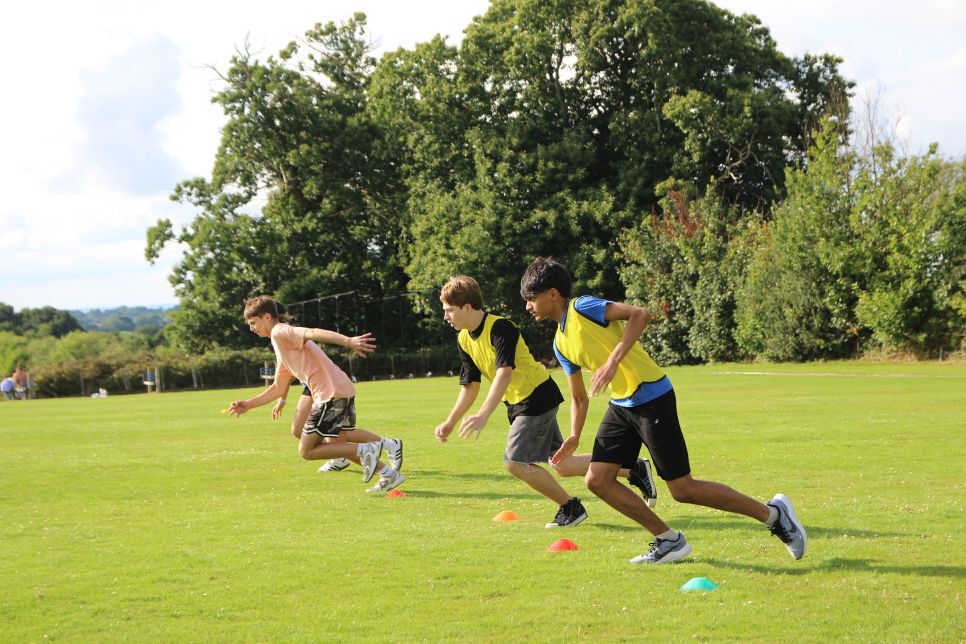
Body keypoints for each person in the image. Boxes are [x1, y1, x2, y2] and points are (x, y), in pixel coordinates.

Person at [520, 257, 806, 564]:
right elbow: (578, 397)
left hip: (651, 396)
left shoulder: (583, 307)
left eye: (531, 298)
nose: (527, 306)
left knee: (683, 490)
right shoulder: (560, 344)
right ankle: (668, 540)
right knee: (597, 480)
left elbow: (639, 314)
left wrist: (613, 361)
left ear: (553, 294)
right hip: (622, 405)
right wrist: (575, 435)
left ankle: (773, 515)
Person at [433, 276, 657, 529]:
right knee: (562, 464)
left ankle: (570, 508)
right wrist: (450, 421)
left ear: (467, 307)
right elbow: (470, 385)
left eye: (449, 310)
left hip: (536, 398)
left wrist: (483, 414)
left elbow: (504, 373)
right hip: (519, 403)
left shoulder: (501, 328)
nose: (445, 316)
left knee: (515, 463)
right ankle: (632, 467)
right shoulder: (463, 339)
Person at [228, 295, 405, 493]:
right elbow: (278, 387)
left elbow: (311, 332)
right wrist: (249, 404)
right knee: (335, 444)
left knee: (306, 451)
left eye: (253, 323)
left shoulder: (280, 331)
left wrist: (348, 341)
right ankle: (388, 474)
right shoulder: (281, 344)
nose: (251, 328)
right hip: (341, 391)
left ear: (267, 317)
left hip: (329, 395)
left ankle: (368, 448)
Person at [271, 378, 378, 474]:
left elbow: (284, 377)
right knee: (333, 435)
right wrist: (282, 399)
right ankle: (382, 449)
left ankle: (381, 452)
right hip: (317, 384)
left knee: (325, 436)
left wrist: (281, 400)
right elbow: (286, 376)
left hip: (321, 384)